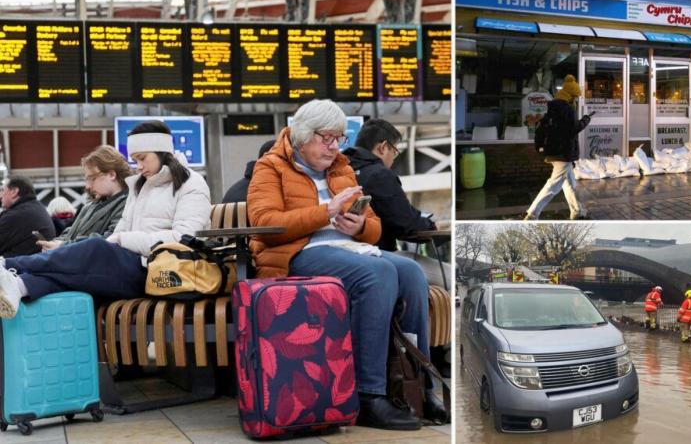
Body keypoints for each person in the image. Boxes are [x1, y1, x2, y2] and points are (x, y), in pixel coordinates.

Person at [247, 99, 446, 431]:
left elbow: (375, 225)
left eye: (339, 138)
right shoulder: (270, 167)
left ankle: (416, 388)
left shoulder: (341, 167)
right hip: (295, 253)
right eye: (327, 137)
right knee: (379, 272)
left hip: (346, 249)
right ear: (303, 134)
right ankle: (369, 395)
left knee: (411, 272)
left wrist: (360, 227)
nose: (334, 146)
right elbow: (265, 223)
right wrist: (325, 212)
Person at [0, 120, 211, 319]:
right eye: (135, 159)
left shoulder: (191, 184)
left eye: (142, 158)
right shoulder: (140, 187)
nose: (139, 166)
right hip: (132, 266)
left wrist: (124, 240)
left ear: (163, 152)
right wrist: (119, 241)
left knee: (95, 248)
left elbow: (184, 239)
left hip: (162, 271)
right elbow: (120, 231)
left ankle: (10, 265)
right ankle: (19, 286)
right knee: (73, 269)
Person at [344, 119, 435, 251]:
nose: (393, 158)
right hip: (378, 255)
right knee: (444, 270)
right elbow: (405, 224)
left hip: (344, 253)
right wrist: (430, 226)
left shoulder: (340, 169)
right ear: (383, 147)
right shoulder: (380, 175)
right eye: (394, 151)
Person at [37, 146, 130, 251]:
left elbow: (108, 240)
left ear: (111, 174)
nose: (88, 186)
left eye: (92, 178)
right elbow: (71, 232)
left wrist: (62, 246)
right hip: (74, 260)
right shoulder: (92, 205)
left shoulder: (128, 204)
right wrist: (55, 243)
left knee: (19, 263)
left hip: (88, 264)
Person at [525, 74, 592, 220]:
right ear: (571, 96)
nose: (576, 100)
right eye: (575, 97)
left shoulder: (551, 107)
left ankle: (576, 211)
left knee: (569, 184)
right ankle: (533, 214)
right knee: (553, 185)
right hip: (563, 153)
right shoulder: (567, 109)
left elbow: (545, 128)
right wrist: (586, 120)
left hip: (553, 151)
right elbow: (573, 129)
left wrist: (540, 147)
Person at [0, 175, 56, 257]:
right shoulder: (36, 208)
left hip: (15, 267)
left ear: (14, 192)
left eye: (2, 190)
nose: (1, 195)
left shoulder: (15, 215)